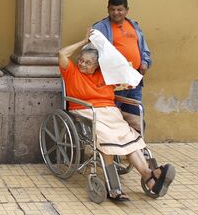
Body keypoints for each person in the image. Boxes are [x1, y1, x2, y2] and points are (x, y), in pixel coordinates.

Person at [58, 30, 174, 200]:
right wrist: (84, 41)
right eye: (81, 60)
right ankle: (113, 187)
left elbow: (120, 67)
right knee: (108, 139)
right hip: (85, 110)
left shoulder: (105, 74)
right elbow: (62, 53)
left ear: (97, 65)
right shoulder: (72, 72)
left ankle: (150, 177)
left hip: (110, 112)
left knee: (127, 136)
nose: (83, 64)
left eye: (88, 63)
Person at [93, 0, 151, 130]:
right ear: (108, 9)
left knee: (135, 113)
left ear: (127, 10)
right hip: (114, 79)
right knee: (114, 115)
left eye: (119, 10)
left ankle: (137, 146)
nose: (116, 13)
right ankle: (116, 146)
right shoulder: (100, 27)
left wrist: (145, 62)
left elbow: (143, 48)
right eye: (112, 9)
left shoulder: (134, 25)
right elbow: (93, 52)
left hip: (133, 78)